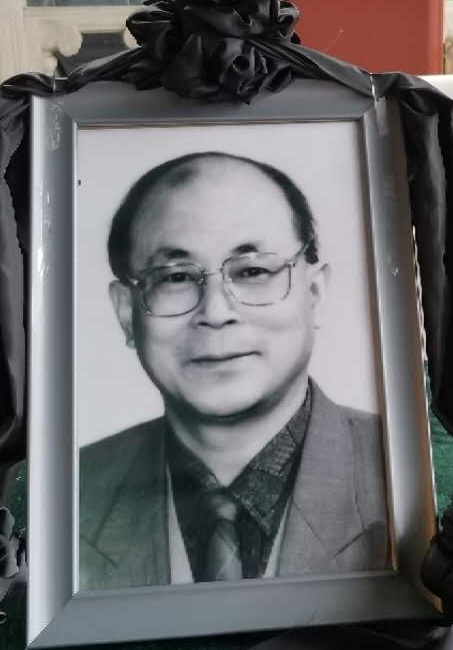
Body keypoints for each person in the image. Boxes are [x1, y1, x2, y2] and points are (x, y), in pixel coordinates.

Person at [79, 151, 388, 589]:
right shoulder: (65, 493)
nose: (216, 312)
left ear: (315, 293)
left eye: (252, 270)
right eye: (175, 277)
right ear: (127, 313)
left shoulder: (406, 471)